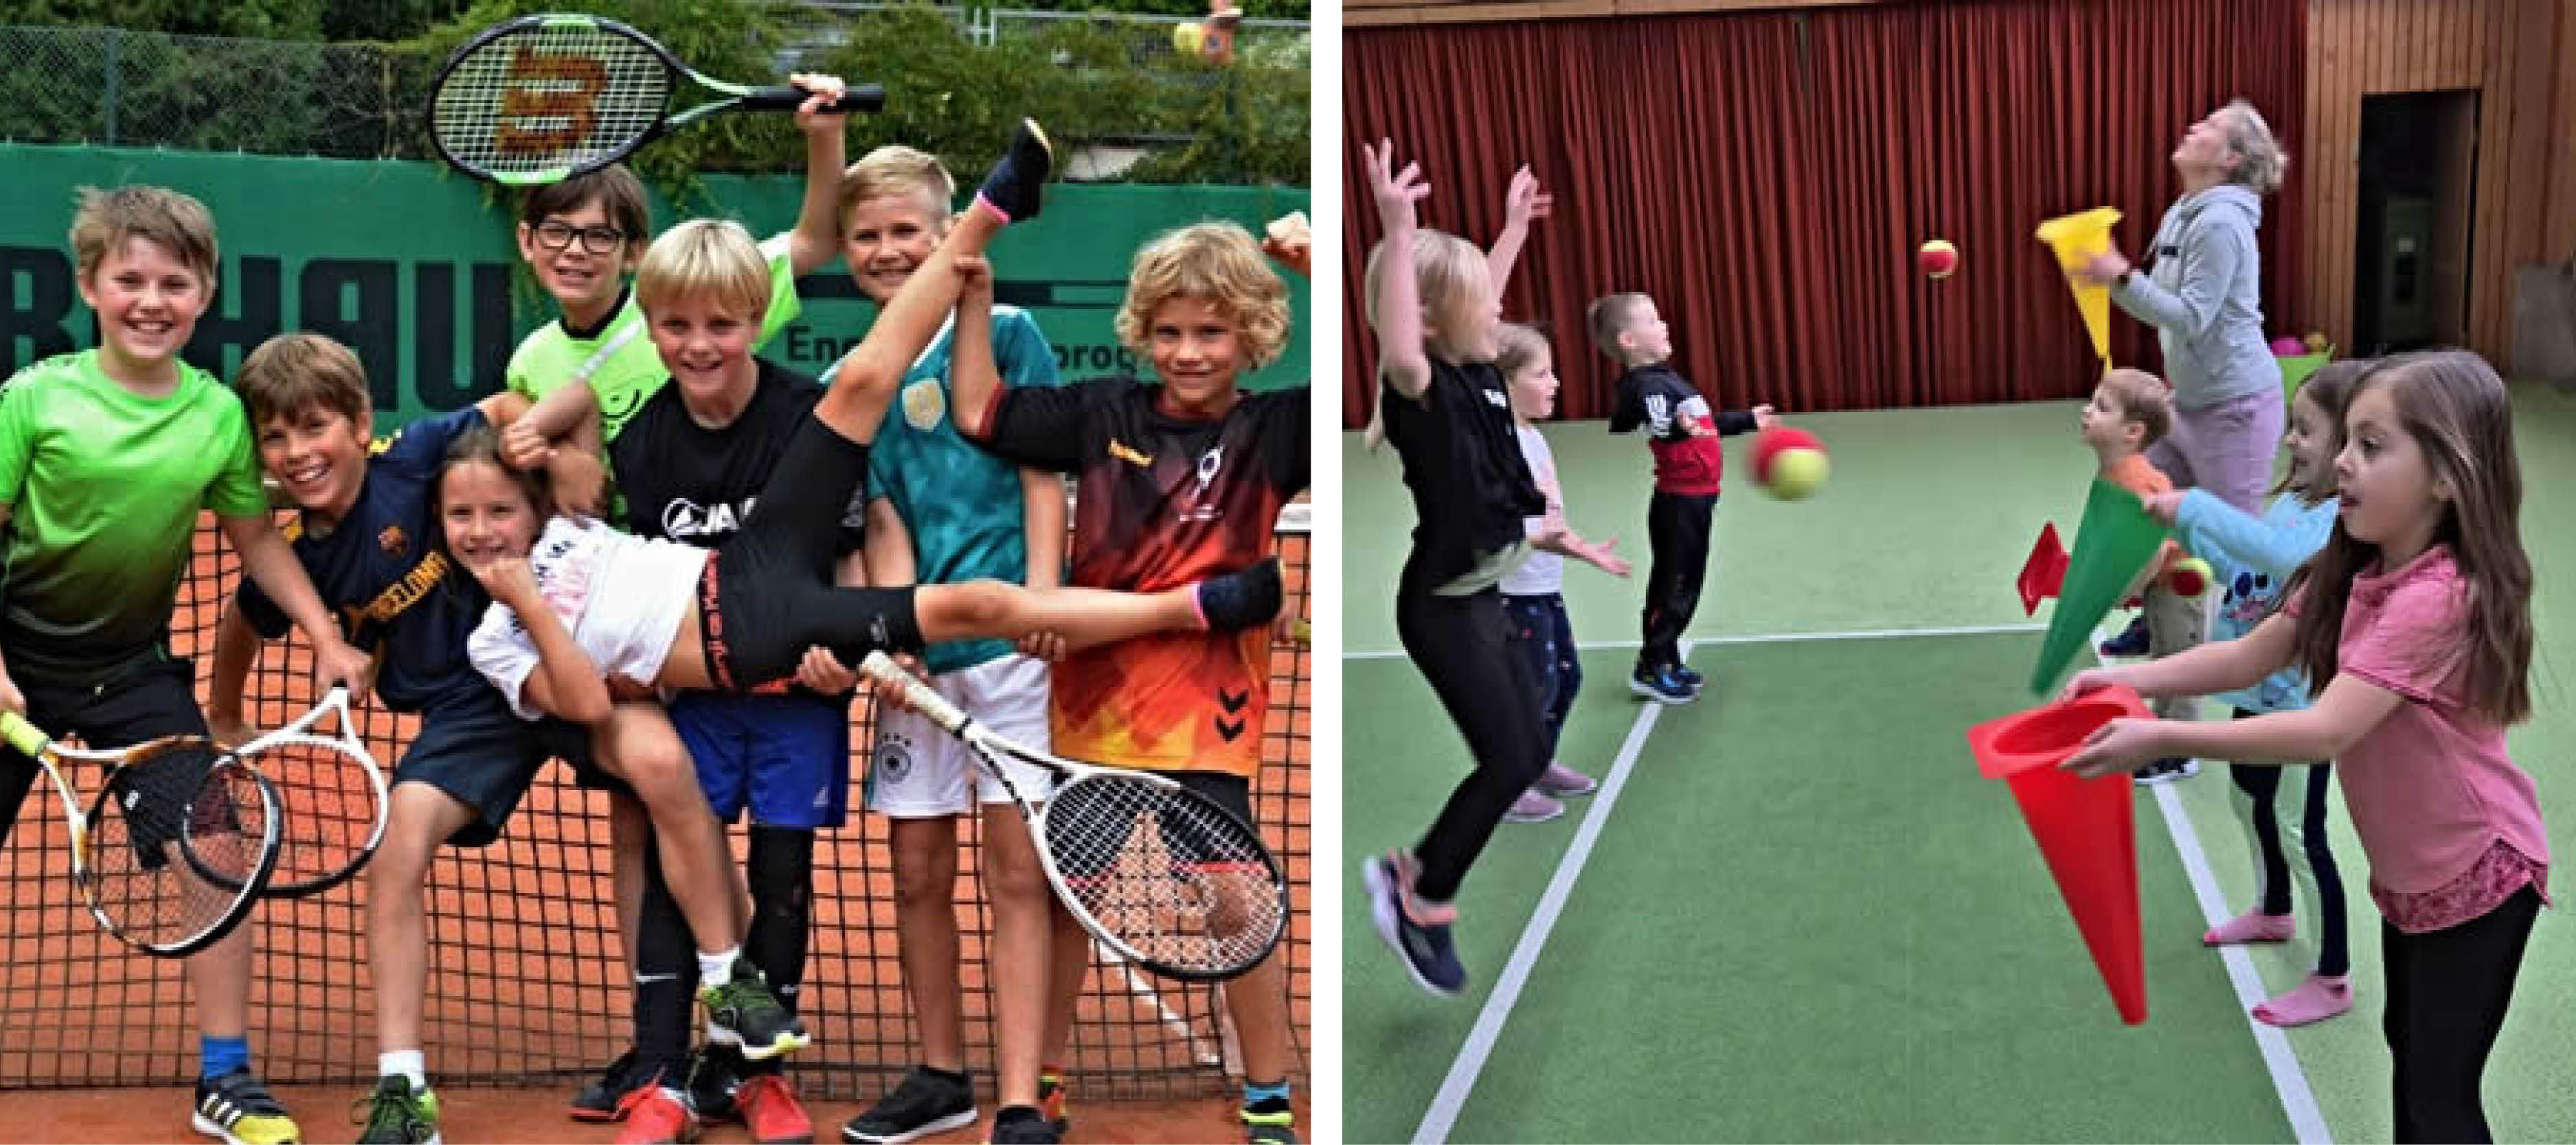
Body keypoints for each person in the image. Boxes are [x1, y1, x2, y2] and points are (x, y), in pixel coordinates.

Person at [2066, 350, 2544, 1144]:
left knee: (2440, 1098)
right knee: (2412, 1057)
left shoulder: (2438, 597)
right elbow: (2249, 656)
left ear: (2448, 476)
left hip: (2480, 879)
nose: (2340, 462)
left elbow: (2326, 729)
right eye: (2346, 440)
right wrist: (2135, 682)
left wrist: (2161, 732)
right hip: (2415, 880)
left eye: (2372, 444)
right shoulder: (2349, 567)